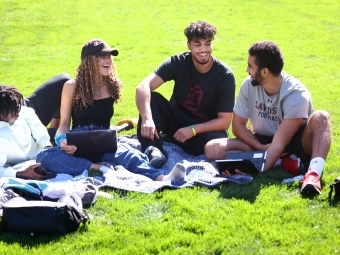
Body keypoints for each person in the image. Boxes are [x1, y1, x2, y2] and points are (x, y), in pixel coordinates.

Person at [36, 38, 186, 182]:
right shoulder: (71, 86)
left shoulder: (111, 84)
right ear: (89, 61)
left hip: (104, 140)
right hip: (78, 142)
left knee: (132, 156)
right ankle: (94, 167)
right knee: (45, 156)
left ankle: (163, 178)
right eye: (102, 57)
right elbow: (64, 123)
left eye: (109, 56)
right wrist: (62, 141)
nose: (108, 60)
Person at [204, 40, 331, 195]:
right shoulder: (248, 85)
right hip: (263, 141)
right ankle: (282, 162)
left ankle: (313, 174)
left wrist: (254, 168)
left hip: (295, 142)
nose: (246, 70)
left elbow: (278, 144)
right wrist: (260, 147)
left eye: (250, 66)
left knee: (321, 117)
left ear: (264, 72)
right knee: (212, 149)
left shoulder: (296, 94)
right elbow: (237, 126)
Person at [135, 20, 236, 168]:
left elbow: (224, 121)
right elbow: (143, 87)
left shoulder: (225, 75)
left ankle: (167, 139)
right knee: (152, 99)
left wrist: (193, 130)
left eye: (208, 43)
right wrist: (147, 119)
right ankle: (153, 149)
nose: (204, 49)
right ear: (189, 45)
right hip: (178, 121)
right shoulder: (178, 62)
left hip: (205, 129)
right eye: (198, 44)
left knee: (216, 144)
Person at [0, 85, 53, 180]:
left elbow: (32, 119)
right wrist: (19, 174)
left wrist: (47, 147)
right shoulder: (2, 136)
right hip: (18, 166)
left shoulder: (18, 110)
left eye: (17, 108)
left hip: (41, 154)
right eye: (13, 111)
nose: (18, 113)